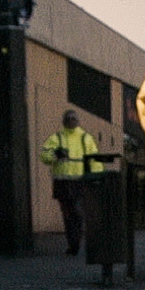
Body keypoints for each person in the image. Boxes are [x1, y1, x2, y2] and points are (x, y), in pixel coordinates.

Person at [39, 109, 100, 256]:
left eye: (73, 118)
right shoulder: (57, 138)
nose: (71, 121)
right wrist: (55, 155)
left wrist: (96, 178)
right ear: (64, 121)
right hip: (63, 183)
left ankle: (75, 243)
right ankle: (73, 243)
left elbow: (94, 160)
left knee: (76, 214)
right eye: (69, 118)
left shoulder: (85, 138)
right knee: (69, 215)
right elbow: (44, 156)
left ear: (77, 121)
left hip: (78, 182)